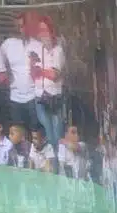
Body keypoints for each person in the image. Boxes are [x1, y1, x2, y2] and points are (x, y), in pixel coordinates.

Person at [29, 15, 65, 147]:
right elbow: (33, 76)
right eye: (40, 30)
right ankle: (51, 163)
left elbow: (55, 74)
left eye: (45, 30)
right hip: (40, 96)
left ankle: (58, 164)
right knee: (48, 135)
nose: (43, 33)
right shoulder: (38, 50)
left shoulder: (58, 50)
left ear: (51, 31)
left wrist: (41, 71)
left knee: (56, 136)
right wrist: (33, 67)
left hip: (54, 98)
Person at [1, 11, 38, 130]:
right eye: (18, 26)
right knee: (18, 132)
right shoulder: (7, 44)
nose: (20, 29)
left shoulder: (37, 44)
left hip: (34, 96)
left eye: (23, 26)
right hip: (15, 96)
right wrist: (6, 74)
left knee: (35, 130)